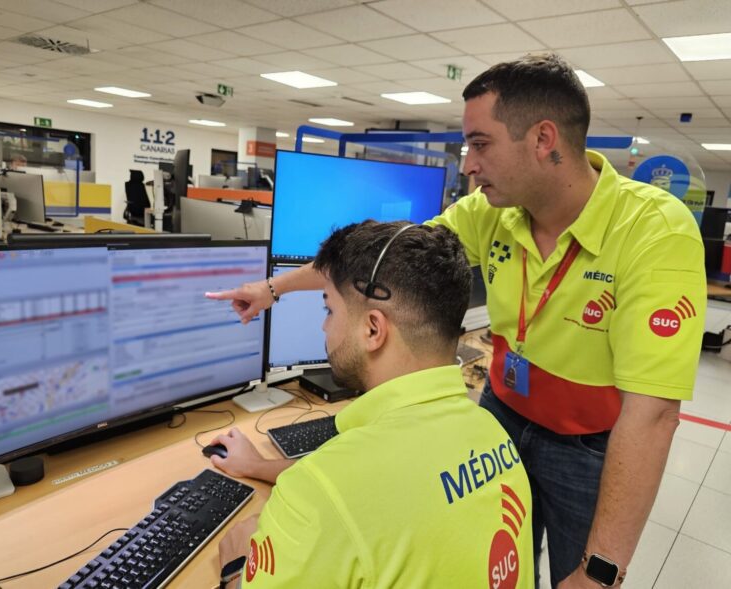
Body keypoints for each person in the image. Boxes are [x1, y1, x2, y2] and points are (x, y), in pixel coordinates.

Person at [207, 53, 706, 589]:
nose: (467, 164)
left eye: (481, 144)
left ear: (543, 139)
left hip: (584, 444)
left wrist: (603, 571)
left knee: (576, 579)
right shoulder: (489, 211)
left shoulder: (655, 231)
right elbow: (383, 263)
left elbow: (652, 416)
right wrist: (271, 288)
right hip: (503, 410)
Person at [210, 220, 534, 589]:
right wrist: (258, 465)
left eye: (329, 310)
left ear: (373, 330)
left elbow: (344, 492)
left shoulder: (323, 489)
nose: (324, 329)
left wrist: (236, 567)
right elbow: (382, 492)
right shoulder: (494, 434)